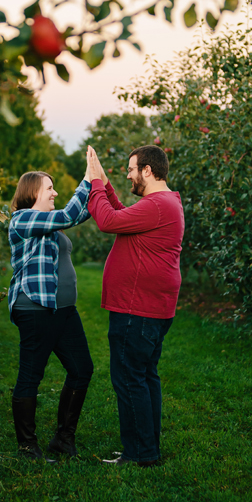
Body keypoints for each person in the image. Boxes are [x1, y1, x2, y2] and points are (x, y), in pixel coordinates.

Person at [84, 145, 184, 467]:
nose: (128, 174)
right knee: (143, 377)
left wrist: (94, 184)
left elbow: (108, 220)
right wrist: (105, 182)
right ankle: (145, 449)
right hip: (148, 308)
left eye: (131, 169)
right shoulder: (161, 205)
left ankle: (139, 454)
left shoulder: (157, 205)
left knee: (129, 380)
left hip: (136, 309)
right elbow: (122, 214)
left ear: (148, 171)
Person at [7, 157, 95, 461]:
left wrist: (98, 187)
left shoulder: (50, 223)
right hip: (35, 308)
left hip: (62, 310)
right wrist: (86, 179)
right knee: (31, 375)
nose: (54, 192)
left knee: (82, 369)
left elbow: (79, 214)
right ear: (33, 193)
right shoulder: (23, 219)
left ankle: (63, 438)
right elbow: (71, 212)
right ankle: (27, 446)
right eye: (50, 188)